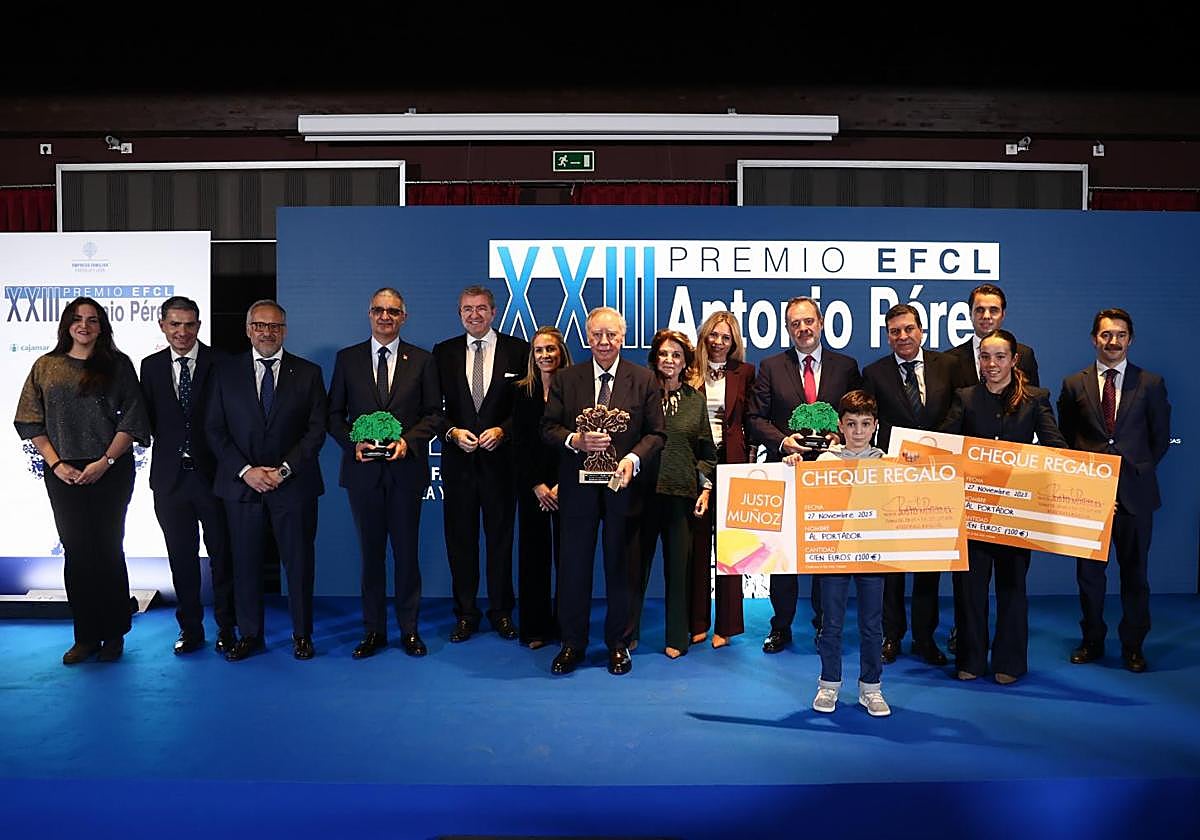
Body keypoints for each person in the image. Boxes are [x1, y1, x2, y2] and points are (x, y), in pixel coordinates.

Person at [14, 296, 150, 664]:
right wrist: (57, 465)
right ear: (66, 325)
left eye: (92, 319)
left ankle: (115, 634)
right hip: (63, 472)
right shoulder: (46, 366)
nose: (85, 326)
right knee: (77, 553)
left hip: (110, 469)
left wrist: (104, 461)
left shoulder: (118, 365)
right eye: (78, 319)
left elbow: (133, 420)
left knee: (107, 550)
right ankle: (86, 636)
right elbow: (30, 421)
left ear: (102, 326)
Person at [540, 306, 665, 675]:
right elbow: (547, 429)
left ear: (623, 338)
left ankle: (618, 644)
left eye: (611, 335)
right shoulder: (567, 378)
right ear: (586, 337)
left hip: (623, 489)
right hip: (578, 491)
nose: (604, 342)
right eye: (597, 335)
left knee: (621, 568)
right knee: (574, 567)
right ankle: (572, 643)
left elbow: (657, 433)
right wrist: (575, 440)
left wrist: (632, 460)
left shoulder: (643, 379)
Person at [940, 329, 1066, 684]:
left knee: (1013, 590)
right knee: (969, 591)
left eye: (999, 357)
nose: (991, 364)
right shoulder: (964, 398)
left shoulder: (1036, 399)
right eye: (984, 357)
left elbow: (1057, 449)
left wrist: (1089, 490)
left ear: (1014, 360)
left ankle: (1009, 662)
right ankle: (971, 658)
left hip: (1016, 517)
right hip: (973, 515)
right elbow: (943, 444)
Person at [205, 299, 328, 661]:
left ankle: (302, 635)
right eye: (260, 325)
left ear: (285, 331)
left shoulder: (308, 373)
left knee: (300, 563)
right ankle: (251, 635)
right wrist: (247, 472)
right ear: (248, 330)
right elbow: (214, 430)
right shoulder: (224, 373)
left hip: (295, 486)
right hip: (242, 487)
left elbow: (316, 430)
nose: (267, 332)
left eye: (275, 326)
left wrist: (284, 470)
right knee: (243, 564)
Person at [327, 288, 443, 659]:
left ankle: (409, 631)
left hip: (405, 472)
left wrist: (409, 441)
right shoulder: (347, 359)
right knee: (371, 556)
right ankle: (373, 631)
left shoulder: (423, 360)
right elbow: (333, 415)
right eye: (379, 310)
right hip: (362, 474)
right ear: (369, 314)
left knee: (407, 555)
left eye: (393, 311)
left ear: (404, 317)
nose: (385, 317)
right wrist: (352, 443)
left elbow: (435, 415)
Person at [747, 296, 862, 654]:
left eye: (809, 321)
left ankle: (824, 622)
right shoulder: (770, 366)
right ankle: (780, 625)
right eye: (796, 323)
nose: (803, 329)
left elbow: (858, 413)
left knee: (826, 552)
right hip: (787, 471)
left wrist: (838, 436)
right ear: (788, 329)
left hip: (832, 476)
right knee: (783, 556)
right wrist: (783, 441)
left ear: (822, 322)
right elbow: (754, 418)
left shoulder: (846, 366)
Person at [1059, 308, 1171, 673]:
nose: (1113, 341)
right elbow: (1066, 436)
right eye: (1106, 335)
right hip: (1089, 496)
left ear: (1130, 339)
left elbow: (1159, 439)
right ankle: (1092, 640)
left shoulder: (1151, 383)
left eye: (1120, 335)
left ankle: (1133, 646)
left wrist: (1137, 469)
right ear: (1095, 338)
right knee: (1089, 577)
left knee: (1135, 575)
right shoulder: (1074, 384)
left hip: (1136, 495)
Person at [862, 303, 959, 667]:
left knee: (928, 565)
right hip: (892, 480)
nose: (902, 336)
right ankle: (892, 636)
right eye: (894, 331)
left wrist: (933, 448)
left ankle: (924, 638)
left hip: (937, 479)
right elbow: (870, 421)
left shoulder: (947, 366)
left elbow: (958, 411)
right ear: (888, 336)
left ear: (922, 331)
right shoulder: (873, 372)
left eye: (908, 329)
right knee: (892, 566)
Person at [139, 295, 237, 656]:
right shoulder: (149, 367)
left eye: (190, 324)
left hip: (215, 477)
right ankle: (191, 630)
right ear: (163, 325)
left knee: (223, 558)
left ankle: (228, 628)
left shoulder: (222, 363)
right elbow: (145, 420)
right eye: (175, 324)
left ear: (198, 325)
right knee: (180, 560)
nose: (182, 331)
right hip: (169, 481)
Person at [433, 286, 529, 643]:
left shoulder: (519, 351)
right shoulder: (442, 352)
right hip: (458, 465)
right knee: (460, 542)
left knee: (501, 542)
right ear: (459, 313)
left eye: (481, 309)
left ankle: (502, 612)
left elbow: (527, 409)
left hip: (501, 466)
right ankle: (466, 614)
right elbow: (431, 410)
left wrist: (504, 431)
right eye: (467, 309)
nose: (474, 315)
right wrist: (453, 431)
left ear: (494, 312)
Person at [785, 390, 890, 716]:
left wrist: (912, 467)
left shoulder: (886, 461)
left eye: (865, 424)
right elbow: (803, 496)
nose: (858, 431)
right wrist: (793, 465)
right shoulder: (826, 462)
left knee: (872, 625)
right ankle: (829, 684)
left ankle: (871, 688)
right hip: (833, 556)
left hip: (873, 556)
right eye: (851, 424)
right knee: (830, 624)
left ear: (875, 425)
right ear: (840, 427)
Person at [631, 330, 716, 659]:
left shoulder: (695, 401)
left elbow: (707, 451)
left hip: (681, 495)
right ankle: (629, 633)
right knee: (635, 569)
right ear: (655, 358)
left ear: (686, 363)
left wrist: (705, 488)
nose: (669, 360)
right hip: (641, 494)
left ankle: (677, 637)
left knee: (679, 571)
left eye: (677, 355)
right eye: (664, 354)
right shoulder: (639, 393)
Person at [691, 311, 756, 649]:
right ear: (705, 336)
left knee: (731, 549)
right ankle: (697, 621)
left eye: (726, 337)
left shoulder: (745, 372)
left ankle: (727, 626)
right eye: (713, 335)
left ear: (734, 343)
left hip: (732, 466)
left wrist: (748, 466)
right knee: (697, 545)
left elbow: (751, 420)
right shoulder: (689, 371)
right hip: (695, 466)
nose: (718, 342)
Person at [511, 326, 572, 649]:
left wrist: (562, 485)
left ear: (561, 351)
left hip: (568, 485)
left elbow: (578, 441)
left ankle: (567, 627)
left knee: (569, 558)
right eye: (539, 350)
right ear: (532, 356)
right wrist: (537, 485)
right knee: (533, 558)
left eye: (550, 349)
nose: (545, 355)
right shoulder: (521, 392)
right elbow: (518, 444)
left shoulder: (576, 388)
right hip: (533, 485)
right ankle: (535, 628)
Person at [948, 283, 1040, 388]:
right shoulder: (951, 359)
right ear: (970, 314)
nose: (986, 316)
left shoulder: (1024, 355)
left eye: (993, 310)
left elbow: (1032, 399)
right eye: (980, 310)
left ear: (1003, 314)